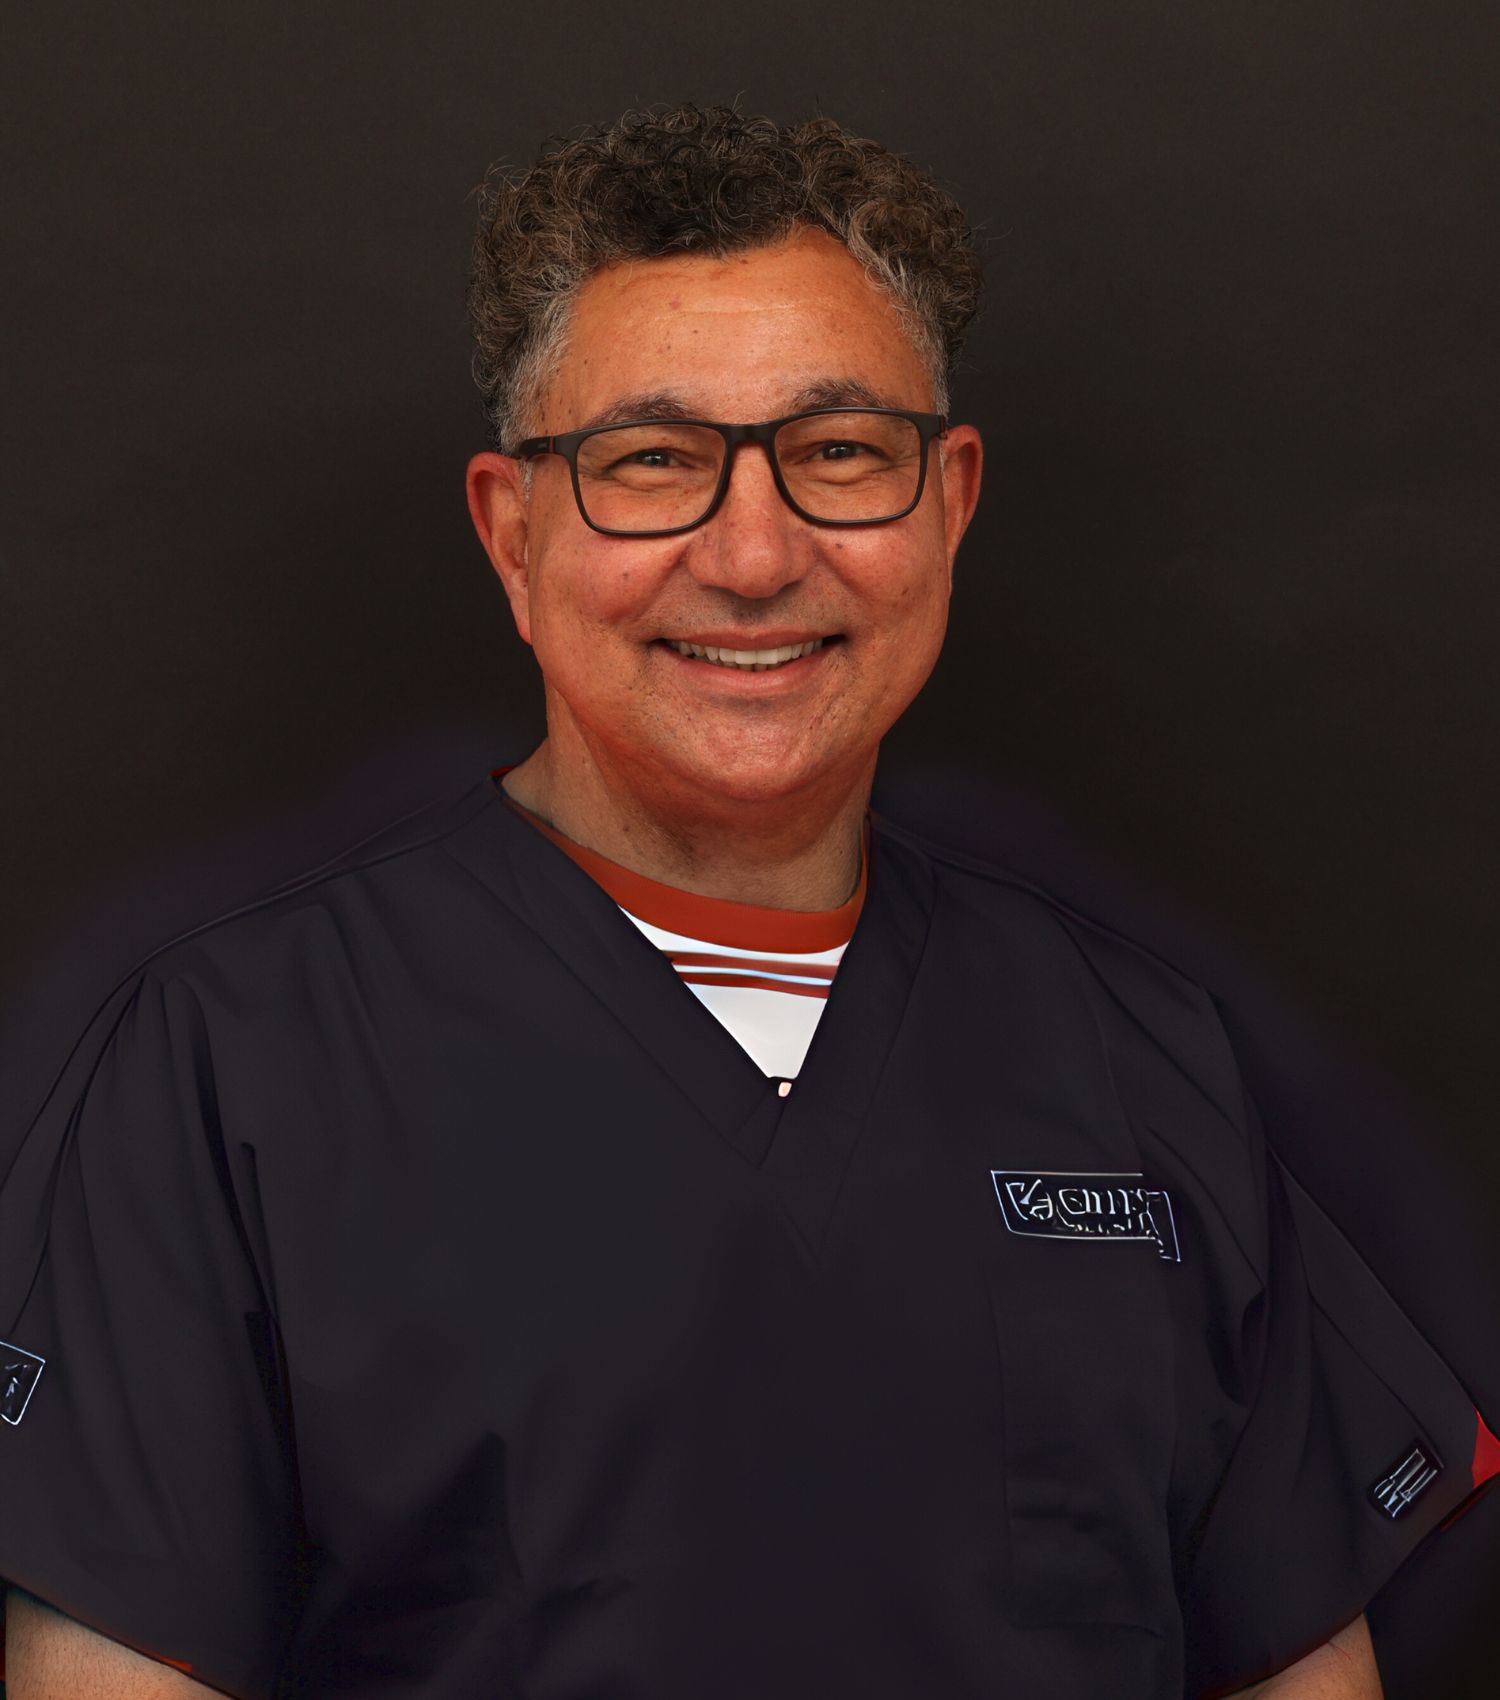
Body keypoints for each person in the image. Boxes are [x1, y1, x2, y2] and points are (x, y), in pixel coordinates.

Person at [0, 102, 1493, 1700]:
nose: (758, 554)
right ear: (514, 533)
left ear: (948, 503)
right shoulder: (227, 1067)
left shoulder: (1142, 1057)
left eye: (840, 454)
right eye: (653, 463)